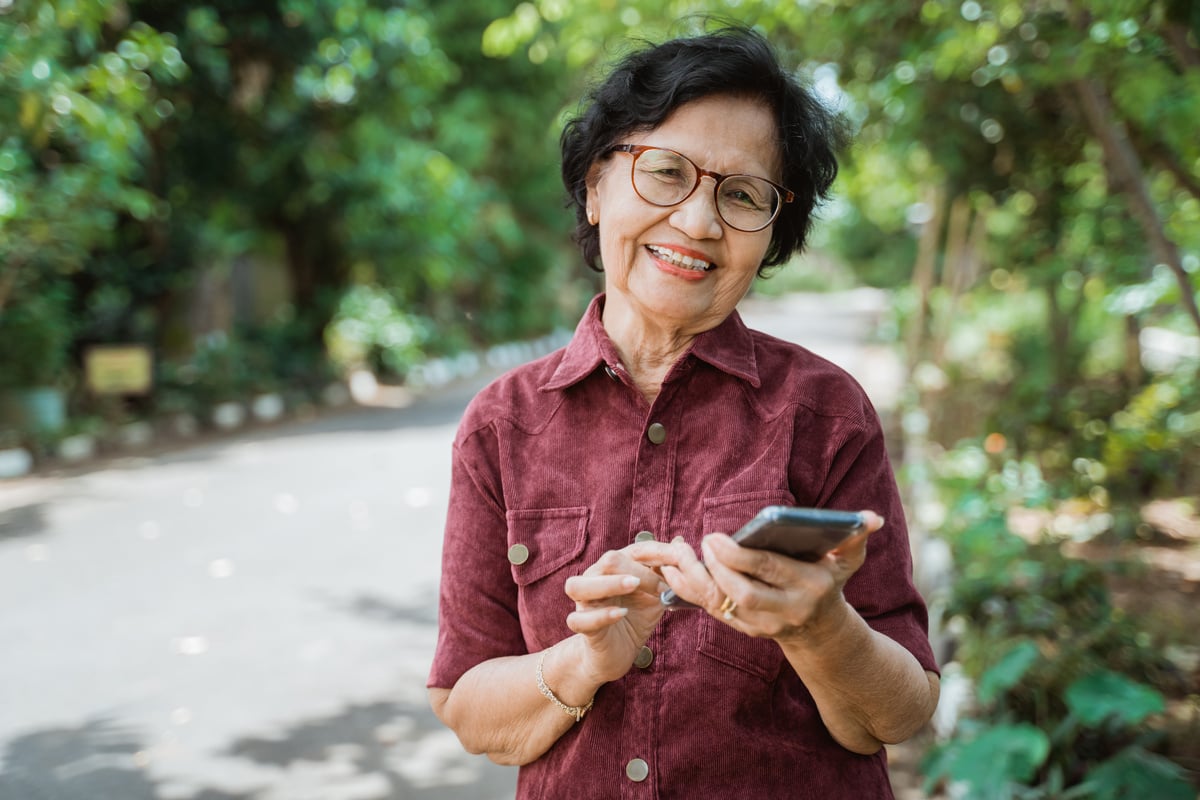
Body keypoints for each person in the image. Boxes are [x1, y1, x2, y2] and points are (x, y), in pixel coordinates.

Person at [427, 25, 939, 799]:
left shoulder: (826, 411)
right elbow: (467, 708)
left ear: (772, 235)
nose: (699, 223)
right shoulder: (503, 424)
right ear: (597, 188)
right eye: (665, 173)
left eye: (741, 196)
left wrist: (817, 627)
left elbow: (898, 715)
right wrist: (585, 660)